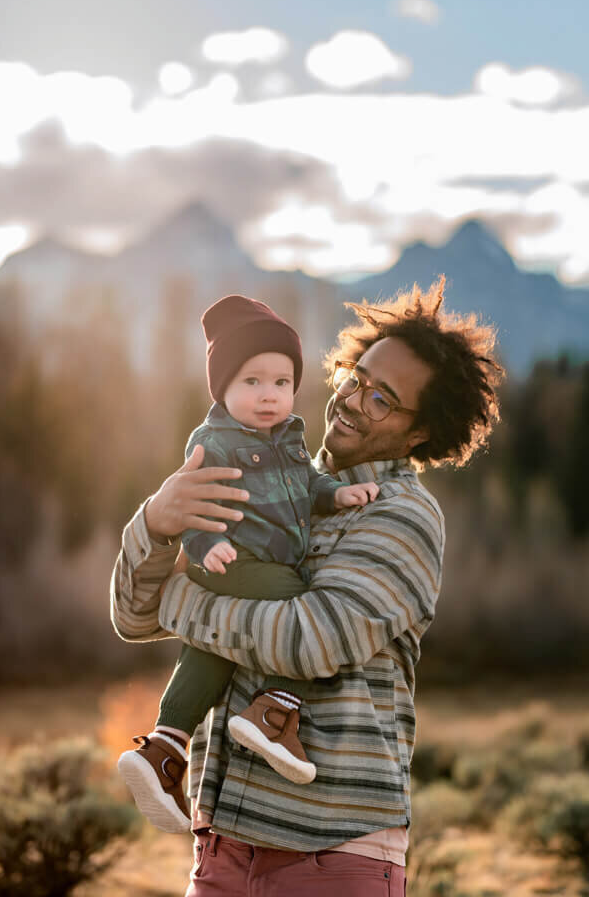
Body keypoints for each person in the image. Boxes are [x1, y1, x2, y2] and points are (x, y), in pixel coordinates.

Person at [111, 279, 503, 897]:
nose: (352, 400)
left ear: (421, 430)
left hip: (332, 851)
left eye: (383, 399)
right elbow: (132, 618)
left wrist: (182, 602)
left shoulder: (401, 515)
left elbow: (311, 640)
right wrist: (157, 524)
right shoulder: (265, 479)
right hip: (221, 844)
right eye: (357, 378)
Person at [117, 294, 378, 832]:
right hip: (234, 559)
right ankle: (272, 712)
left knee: (214, 650)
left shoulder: (292, 438)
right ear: (224, 390)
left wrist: (337, 496)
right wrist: (200, 545)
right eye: (252, 382)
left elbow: (308, 484)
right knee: (297, 596)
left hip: (251, 566)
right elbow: (191, 501)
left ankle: (164, 749)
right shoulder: (215, 442)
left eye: (281, 383)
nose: (268, 396)